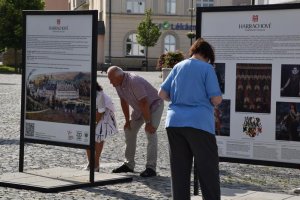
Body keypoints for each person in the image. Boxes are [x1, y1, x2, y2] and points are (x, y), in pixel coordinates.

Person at [158, 38, 222, 200]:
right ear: (207, 56)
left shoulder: (178, 66)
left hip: (174, 122)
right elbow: (216, 99)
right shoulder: (207, 68)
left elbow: (162, 94)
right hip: (199, 123)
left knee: (179, 171)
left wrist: (180, 100)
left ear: (193, 51)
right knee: (207, 169)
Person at [107, 66, 164, 177]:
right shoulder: (118, 83)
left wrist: (148, 123)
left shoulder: (134, 81)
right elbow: (123, 101)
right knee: (129, 130)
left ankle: (151, 168)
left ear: (119, 77)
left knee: (150, 132)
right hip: (140, 108)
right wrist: (127, 120)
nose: (110, 82)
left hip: (153, 106)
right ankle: (129, 164)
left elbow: (144, 102)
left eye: (111, 79)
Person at [85, 82, 118, 172]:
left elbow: (101, 111)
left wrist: (94, 123)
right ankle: (90, 162)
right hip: (90, 112)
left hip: (103, 114)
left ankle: (96, 163)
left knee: (98, 137)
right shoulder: (82, 91)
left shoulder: (99, 94)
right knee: (87, 137)